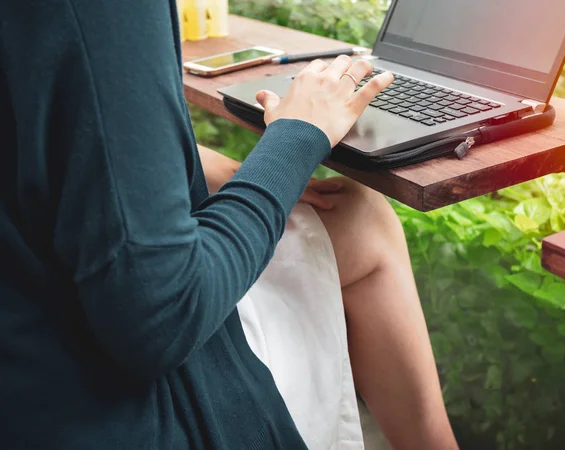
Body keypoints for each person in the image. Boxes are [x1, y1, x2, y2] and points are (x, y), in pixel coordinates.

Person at [0, 1, 458, 449]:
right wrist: (297, 137)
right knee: (360, 220)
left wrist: (206, 164)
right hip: (89, 401)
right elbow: (161, 316)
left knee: (352, 213)